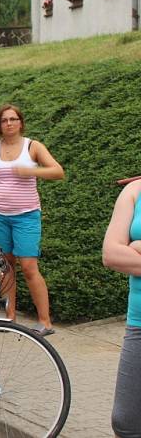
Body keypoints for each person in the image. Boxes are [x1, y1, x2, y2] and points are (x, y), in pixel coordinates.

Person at [0, 105, 64, 336]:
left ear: (21, 122)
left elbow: (57, 171)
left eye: (13, 119)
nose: (9, 123)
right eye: (4, 120)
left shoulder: (32, 146)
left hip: (26, 216)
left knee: (28, 267)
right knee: (5, 267)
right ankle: (9, 316)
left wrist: (31, 171)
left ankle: (45, 322)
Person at [102, 179, 141, 438]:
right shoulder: (134, 190)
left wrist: (136, 248)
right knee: (125, 422)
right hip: (138, 322)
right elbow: (111, 254)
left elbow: (123, 251)